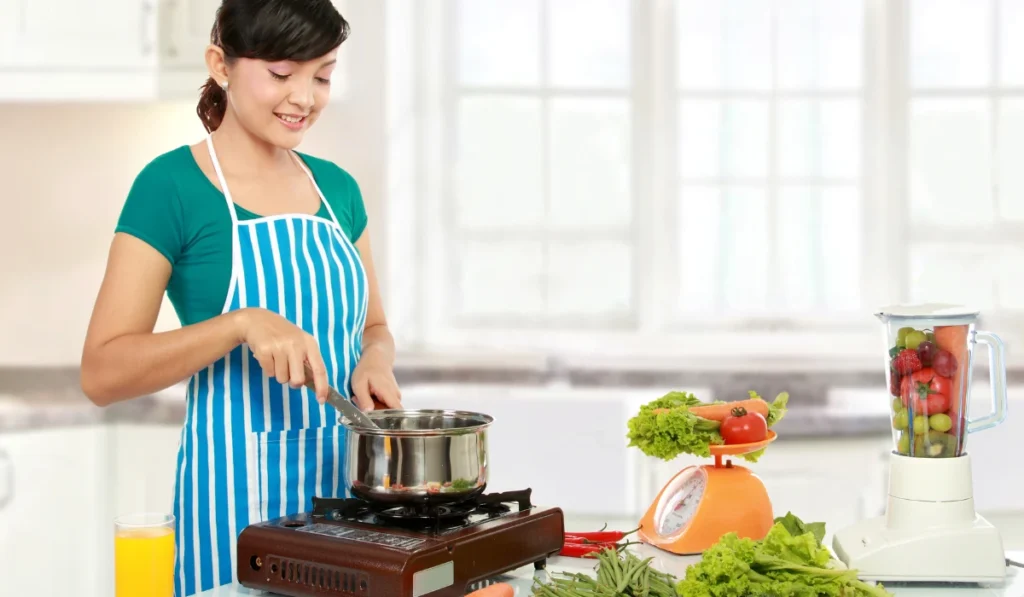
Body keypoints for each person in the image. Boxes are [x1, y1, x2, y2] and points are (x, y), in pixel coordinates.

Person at [79, 1, 402, 594]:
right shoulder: (170, 187)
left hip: (349, 501)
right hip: (232, 515)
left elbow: (374, 325)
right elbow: (102, 372)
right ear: (220, 64)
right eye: (282, 74)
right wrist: (239, 324)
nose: (304, 97)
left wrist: (374, 358)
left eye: (322, 75)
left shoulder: (337, 189)